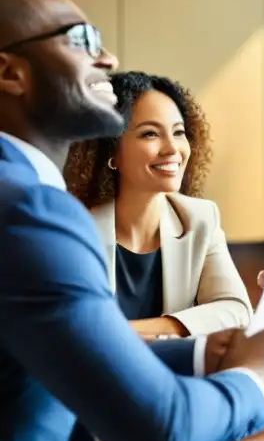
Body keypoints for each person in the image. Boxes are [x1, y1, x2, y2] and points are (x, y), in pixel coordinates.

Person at [0, 0, 264, 441]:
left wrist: (200, 355)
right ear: (10, 73)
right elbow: (158, 432)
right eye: (81, 39)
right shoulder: (28, 212)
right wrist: (261, 381)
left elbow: (54, 356)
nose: (107, 59)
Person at [64, 71, 250, 339]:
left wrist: (131, 331)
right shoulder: (75, 225)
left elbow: (236, 310)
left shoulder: (200, 219)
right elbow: (73, 328)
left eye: (178, 132)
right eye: (150, 134)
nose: (172, 149)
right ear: (110, 151)